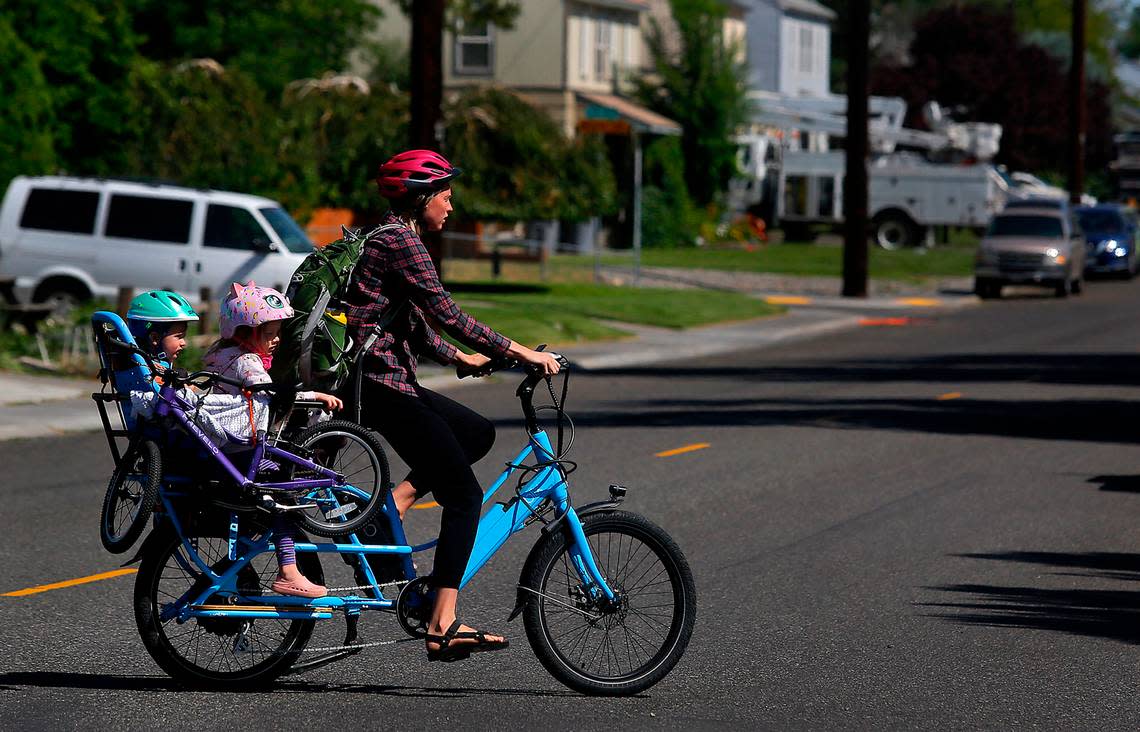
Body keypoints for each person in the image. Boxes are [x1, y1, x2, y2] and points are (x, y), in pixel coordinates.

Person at [344, 149, 560, 662]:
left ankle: (392, 505)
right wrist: (519, 351)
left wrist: (459, 359)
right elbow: (446, 311)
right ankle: (442, 624)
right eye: (445, 195)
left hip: (381, 379)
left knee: (476, 434)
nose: (451, 206)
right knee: (463, 495)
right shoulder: (401, 241)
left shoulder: (392, 238)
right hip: (378, 385)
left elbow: (406, 321)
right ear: (422, 199)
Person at [204, 281, 345, 599]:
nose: (277, 340)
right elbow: (267, 390)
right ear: (243, 333)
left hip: (226, 449)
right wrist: (314, 396)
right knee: (284, 493)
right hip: (243, 451)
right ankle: (288, 572)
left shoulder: (220, 355)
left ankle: (257, 562)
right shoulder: (246, 362)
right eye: (269, 334)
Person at [125, 289, 199, 366]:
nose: (183, 343)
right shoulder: (134, 368)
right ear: (154, 338)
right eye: (178, 336)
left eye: (183, 337)